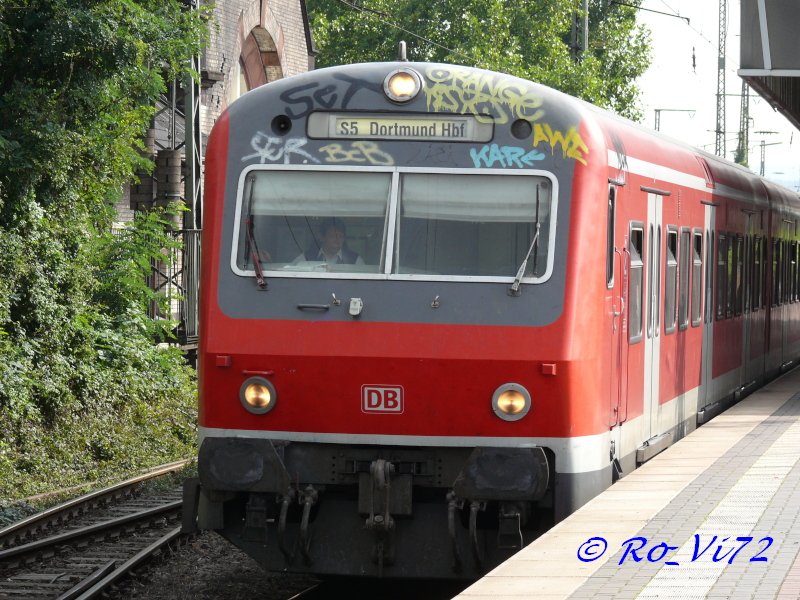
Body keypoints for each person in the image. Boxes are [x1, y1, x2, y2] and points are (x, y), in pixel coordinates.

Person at [296, 217, 364, 265]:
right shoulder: (306, 257)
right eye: (332, 236)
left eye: (340, 236)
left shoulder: (355, 260)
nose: (337, 240)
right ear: (322, 237)